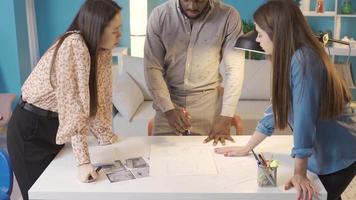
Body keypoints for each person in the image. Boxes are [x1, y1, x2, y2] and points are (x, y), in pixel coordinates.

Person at [215, 1, 356, 200]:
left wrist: (299, 173)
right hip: (323, 152)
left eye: (261, 33)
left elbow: (304, 118)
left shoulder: (304, 60)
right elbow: (276, 109)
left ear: (278, 33)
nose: (258, 39)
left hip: (339, 152)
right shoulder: (291, 57)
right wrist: (247, 147)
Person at [7, 0, 122, 199]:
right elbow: (75, 105)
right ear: (96, 29)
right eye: (114, 31)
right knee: (40, 195)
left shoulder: (102, 52)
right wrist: (83, 161)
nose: (119, 35)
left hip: (54, 127)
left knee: (61, 193)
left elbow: (100, 100)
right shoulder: (74, 45)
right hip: (30, 129)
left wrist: (106, 136)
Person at [144, 0, 245, 145]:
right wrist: (168, 110)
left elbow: (235, 69)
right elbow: (152, 67)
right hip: (169, 100)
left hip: (208, 104)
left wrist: (226, 116)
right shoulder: (160, 15)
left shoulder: (229, 16)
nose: (192, 6)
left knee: (209, 163)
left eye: (199, 0)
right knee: (161, 159)